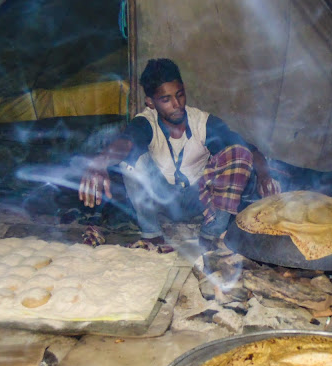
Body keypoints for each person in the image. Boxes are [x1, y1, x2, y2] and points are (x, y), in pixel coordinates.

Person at [78, 58, 280, 250]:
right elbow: (125, 142)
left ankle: (211, 234)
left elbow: (248, 149)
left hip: (197, 199)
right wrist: (100, 162)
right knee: (131, 159)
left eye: (180, 94)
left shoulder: (202, 122)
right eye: (166, 99)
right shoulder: (145, 123)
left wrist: (264, 175)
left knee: (239, 154)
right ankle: (151, 233)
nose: (177, 104)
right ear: (150, 102)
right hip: (161, 199)